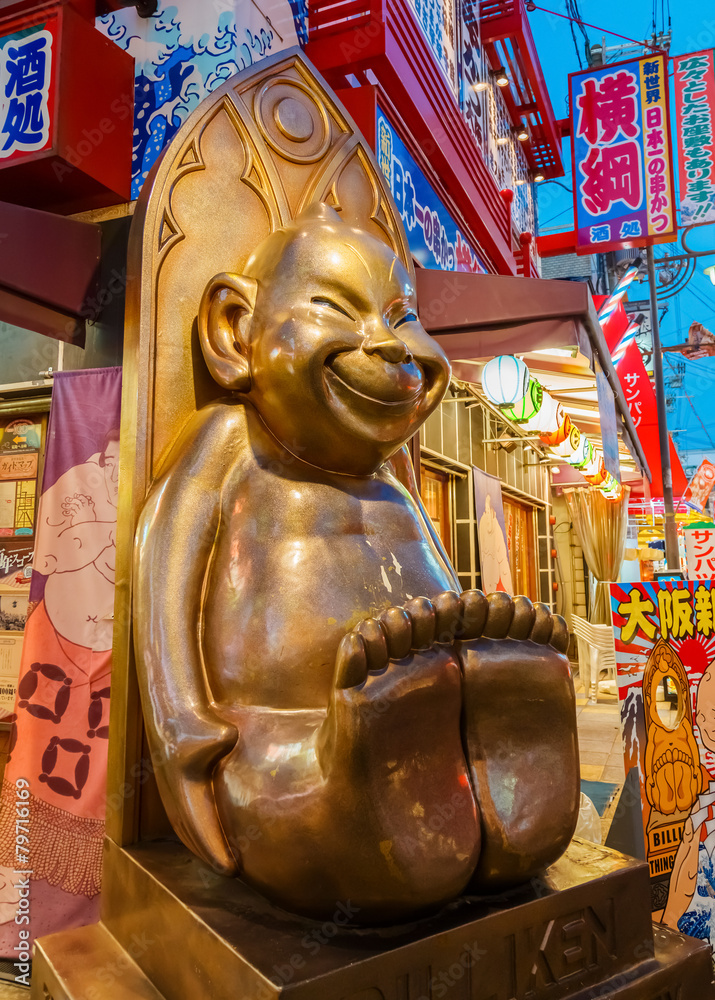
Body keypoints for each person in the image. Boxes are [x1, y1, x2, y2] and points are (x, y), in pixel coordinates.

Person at [478, 492, 513, 593]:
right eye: (486, 510)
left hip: (500, 569)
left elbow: (501, 551)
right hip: (489, 569)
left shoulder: (497, 526)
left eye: (489, 510)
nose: (488, 513)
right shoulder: (483, 523)